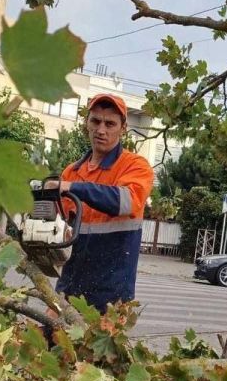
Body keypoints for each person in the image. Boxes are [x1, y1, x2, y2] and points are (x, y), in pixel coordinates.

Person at [50, 93, 154, 312]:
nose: (101, 130)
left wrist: (73, 188)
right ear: (86, 123)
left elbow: (126, 201)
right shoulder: (72, 172)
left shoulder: (135, 166)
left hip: (112, 297)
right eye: (95, 121)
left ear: (123, 128)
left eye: (110, 124)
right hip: (70, 289)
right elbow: (59, 229)